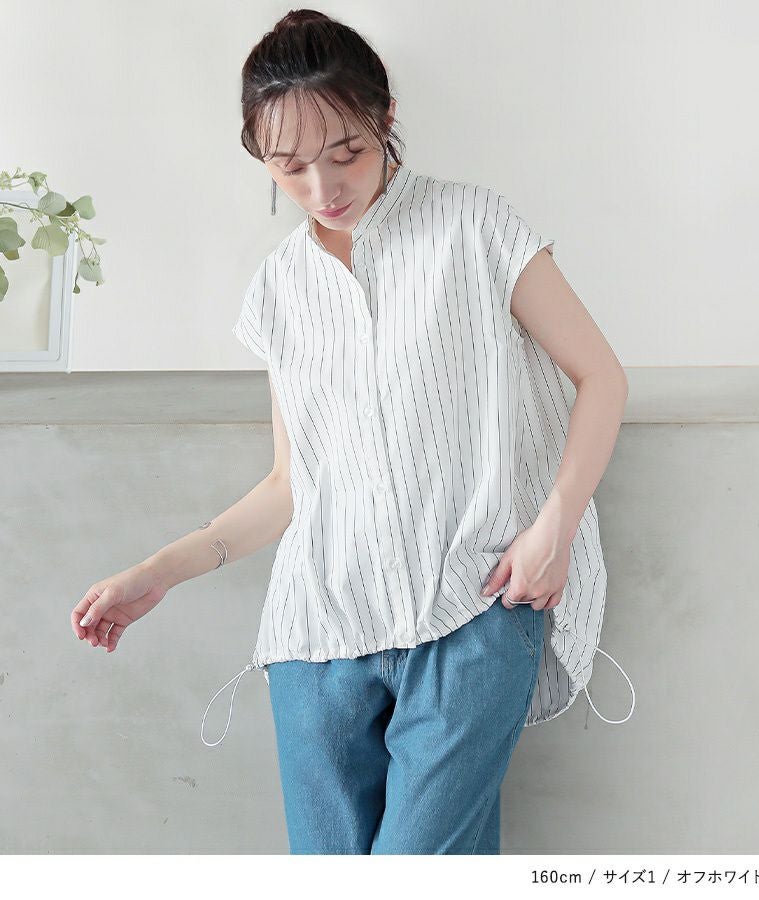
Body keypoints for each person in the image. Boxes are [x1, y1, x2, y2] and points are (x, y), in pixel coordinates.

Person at [71, 9, 634, 854]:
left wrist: (555, 524)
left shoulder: (475, 226)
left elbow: (602, 376)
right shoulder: (279, 290)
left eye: (347, 153)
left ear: (385, 117)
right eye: (291, 167)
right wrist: (157, 573)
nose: (324, 188)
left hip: (471, 607)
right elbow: (289, 486)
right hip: (316, 640)